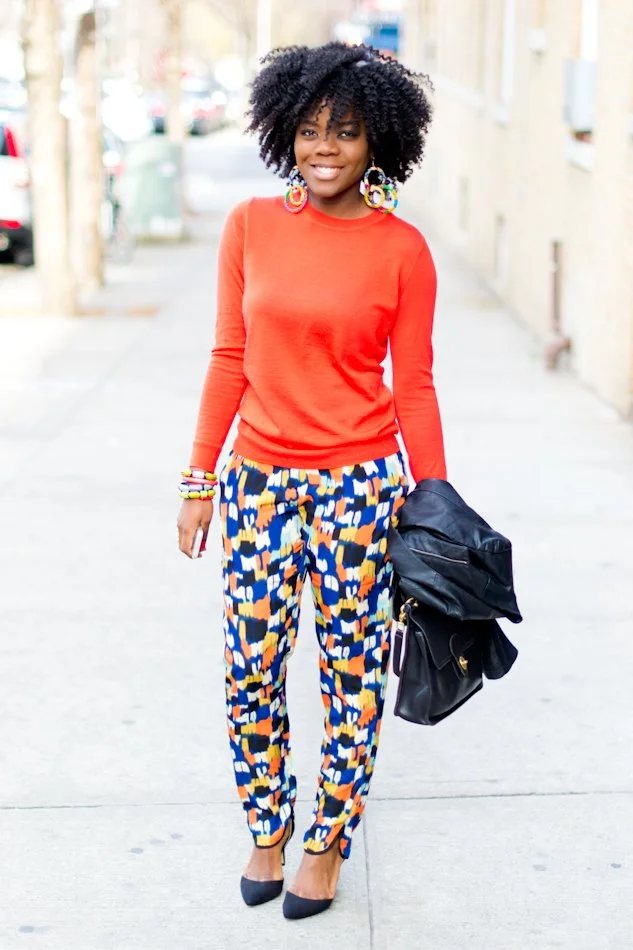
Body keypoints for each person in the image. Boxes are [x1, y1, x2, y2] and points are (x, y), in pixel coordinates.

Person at [177, 41, 446, 921]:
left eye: (346, 131)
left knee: (350, 673)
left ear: (378, 143)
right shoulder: (249, 226)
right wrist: (198, 480)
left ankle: (327, 841)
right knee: (250, 668)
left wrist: (435, 507)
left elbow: (413, 386)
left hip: (359, 490)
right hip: (259, 483)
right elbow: (229, 356)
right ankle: (268, 827)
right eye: (309, 129)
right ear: (283, 132)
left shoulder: (403, 251)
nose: (324, 147)